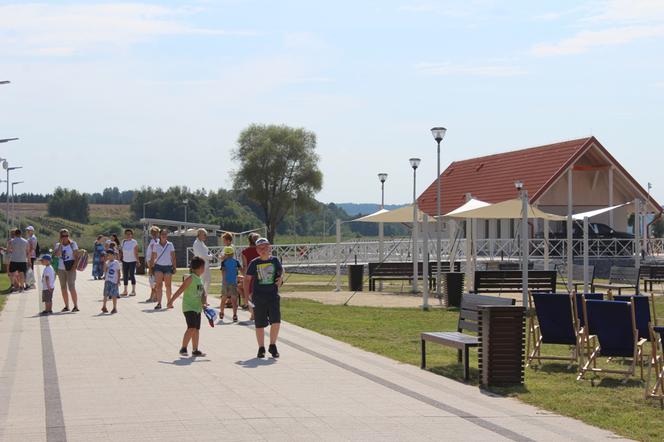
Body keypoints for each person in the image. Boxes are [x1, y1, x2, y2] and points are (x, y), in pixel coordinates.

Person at [244, 237, 283, 358]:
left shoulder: (275, 260)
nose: (263, 250)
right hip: (258, 296)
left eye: (265, 247)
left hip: (272, 295)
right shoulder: (254, 263)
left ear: (270, 247)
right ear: (257, 250)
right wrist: (246, 297)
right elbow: (247, 279)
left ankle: (273, 345)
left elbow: (281, 272)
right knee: (259, 323)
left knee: (276, 321)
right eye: (260, 248)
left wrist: (281, 278)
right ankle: (261, 347)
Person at [167, 257, 207, 357]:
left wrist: (205, 303)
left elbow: (203, 294)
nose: (203, 269)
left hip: (197, 308)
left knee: (196, 329)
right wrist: (171, 301)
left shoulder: (199, 279)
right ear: (195, 268)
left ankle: (195, 350)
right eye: (202, 267)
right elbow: (180, 290)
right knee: (191, 328)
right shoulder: (190, 278)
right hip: (189, 307)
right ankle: (183, 348)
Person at [54, 228, 80, 312]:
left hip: (71, 268)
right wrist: (61, 245)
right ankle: (66, 306)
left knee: (71, 286)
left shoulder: (73, 244)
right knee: (63, 287)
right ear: (60, 236)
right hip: (61, 268)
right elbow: (57, 255)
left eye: (66, 235)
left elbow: (77, 256)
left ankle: (75, 306)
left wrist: (74, 267)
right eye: (63, 236)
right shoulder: (58, 245)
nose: (65, 237)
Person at [150, 228, 176, 310]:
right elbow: (153, 257)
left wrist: (174, 267)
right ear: (160, 235)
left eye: (165, 234)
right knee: (159, 286)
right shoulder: (156, 245)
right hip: (158, 266)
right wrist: (151, 269)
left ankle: (169, 302)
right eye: (162, 234)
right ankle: (159, 303)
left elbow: (173, 257)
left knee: (168, 286)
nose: (164, 236)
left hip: (168, 266)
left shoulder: (170, 244)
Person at [219, 246, 241, 322]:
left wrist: (224, 280)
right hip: (233, 283)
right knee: (234, 300)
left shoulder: (224, 262)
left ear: (226, 254)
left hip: (225, 283)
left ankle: (221, 312)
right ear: (232, 254)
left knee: (223, 299)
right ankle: (235, 315)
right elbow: (240, 269)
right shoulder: (236, 262)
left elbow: (223, 272)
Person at [120, 229, 138, 296]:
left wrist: (138, 261)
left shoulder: (134, 242)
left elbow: (136, 252)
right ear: (125, 235)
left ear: (132, 235)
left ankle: (133, 291)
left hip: (132, 261)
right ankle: (125, 290)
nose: (128, 235)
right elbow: (121, 251)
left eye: (130, 234)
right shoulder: (123, 242)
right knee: (125, 275)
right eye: (127, 234)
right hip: (125, 261)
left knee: (132, 275)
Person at [145, 225, 160, 302]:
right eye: (152, 233)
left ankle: (155, 296)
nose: (153, 234)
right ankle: (153, 296)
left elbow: (155, 254)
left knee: (153, 280)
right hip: (150, 263)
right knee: (152, 280)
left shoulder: (157, 242)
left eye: (155, 233)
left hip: (153, 263)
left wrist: (151, 265)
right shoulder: (152, 241)